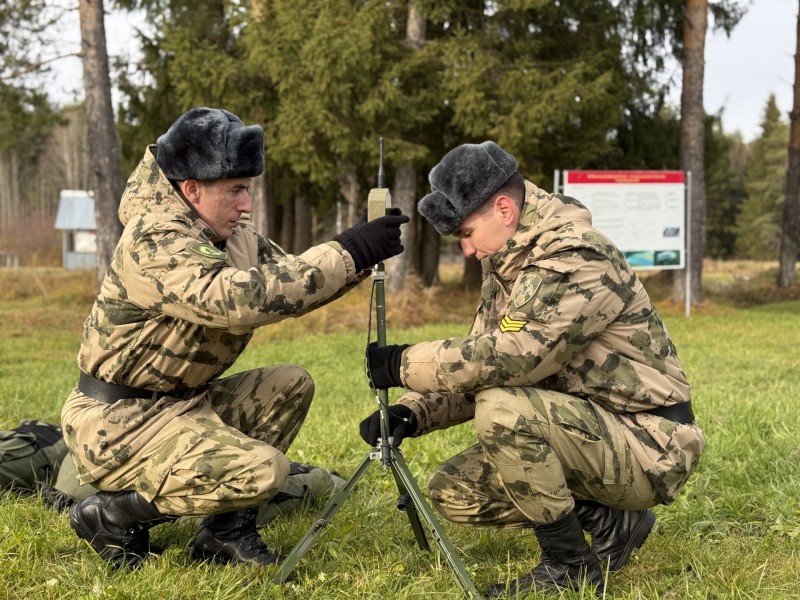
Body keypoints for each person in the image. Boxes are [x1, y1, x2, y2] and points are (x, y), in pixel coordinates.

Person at [63, 106, 409, 568]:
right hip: (119, 422)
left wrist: (362, 253)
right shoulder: (155, 240)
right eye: (236, 191)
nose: (247, 204)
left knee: (289, 383)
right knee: (265, 470)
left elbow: (287, 280)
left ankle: (224, 535)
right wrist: (348, 251)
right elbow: (230, 299)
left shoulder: (228, 234)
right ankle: (112, 515)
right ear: (192, 189)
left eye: (248, 189)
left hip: (182, 404)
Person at [360, 141, 704, 597]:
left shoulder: (576, 256)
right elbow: (481, 360)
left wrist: (403, 363)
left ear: (504, 208)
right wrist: (413, 412)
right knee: (453, 490)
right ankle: (612, 523)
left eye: (466, 233)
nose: (466, 250)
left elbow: (515, 355)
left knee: (504, 410)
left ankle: (569, 566)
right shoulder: (509, 263)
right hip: (588, 430)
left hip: (647, 441)